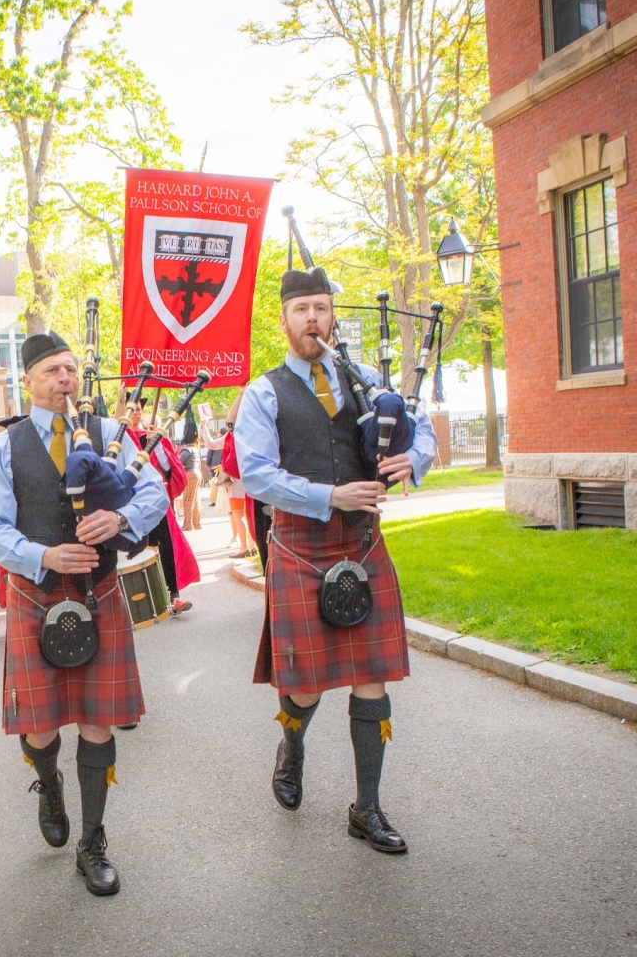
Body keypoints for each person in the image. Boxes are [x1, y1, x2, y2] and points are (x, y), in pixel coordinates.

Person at [234, 264, 436, 855]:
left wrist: (411, 462)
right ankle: (291, 743)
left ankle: (366, 808)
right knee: (306, 687)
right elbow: (255, 474)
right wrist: (329, 495)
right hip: (300, 543)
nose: (314, 319)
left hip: (362, 541)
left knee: (370, 677)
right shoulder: (264, 392)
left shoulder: (364, 379)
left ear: (331, 315)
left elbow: (419, 429)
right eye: (303, 310)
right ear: (285, 320)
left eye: (322, 308)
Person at [0, 331, 169, 897]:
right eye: (53, 371)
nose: (66, 379)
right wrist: (44, 554)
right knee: (39, 730)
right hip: (37, 595)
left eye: (71, 369)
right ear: (29, 382)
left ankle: (93, 841)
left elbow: (152, 490)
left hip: (99, 590)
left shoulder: (109, 434)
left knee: (97, 718)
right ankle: (48, 780)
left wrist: (123, 519)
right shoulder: (5, 449)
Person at [122, 401, 198, 616]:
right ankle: (136, 602)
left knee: (166, 546)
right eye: (132, 408)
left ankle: (173, 596)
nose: (136, 413)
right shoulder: (120, 437)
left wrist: (156, 445)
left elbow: (169, 471)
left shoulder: (155, 437)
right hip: (130, 504)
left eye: (139, 409)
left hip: (156, 502)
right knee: (135, 548)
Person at [177, 442, 202, 532]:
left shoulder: (186, 450)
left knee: (188, 500)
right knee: (196, 500)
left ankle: (187, 524)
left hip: (190, 473)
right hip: (197, 473)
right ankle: (197, 523)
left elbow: (177, 461)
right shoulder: (195, 449)